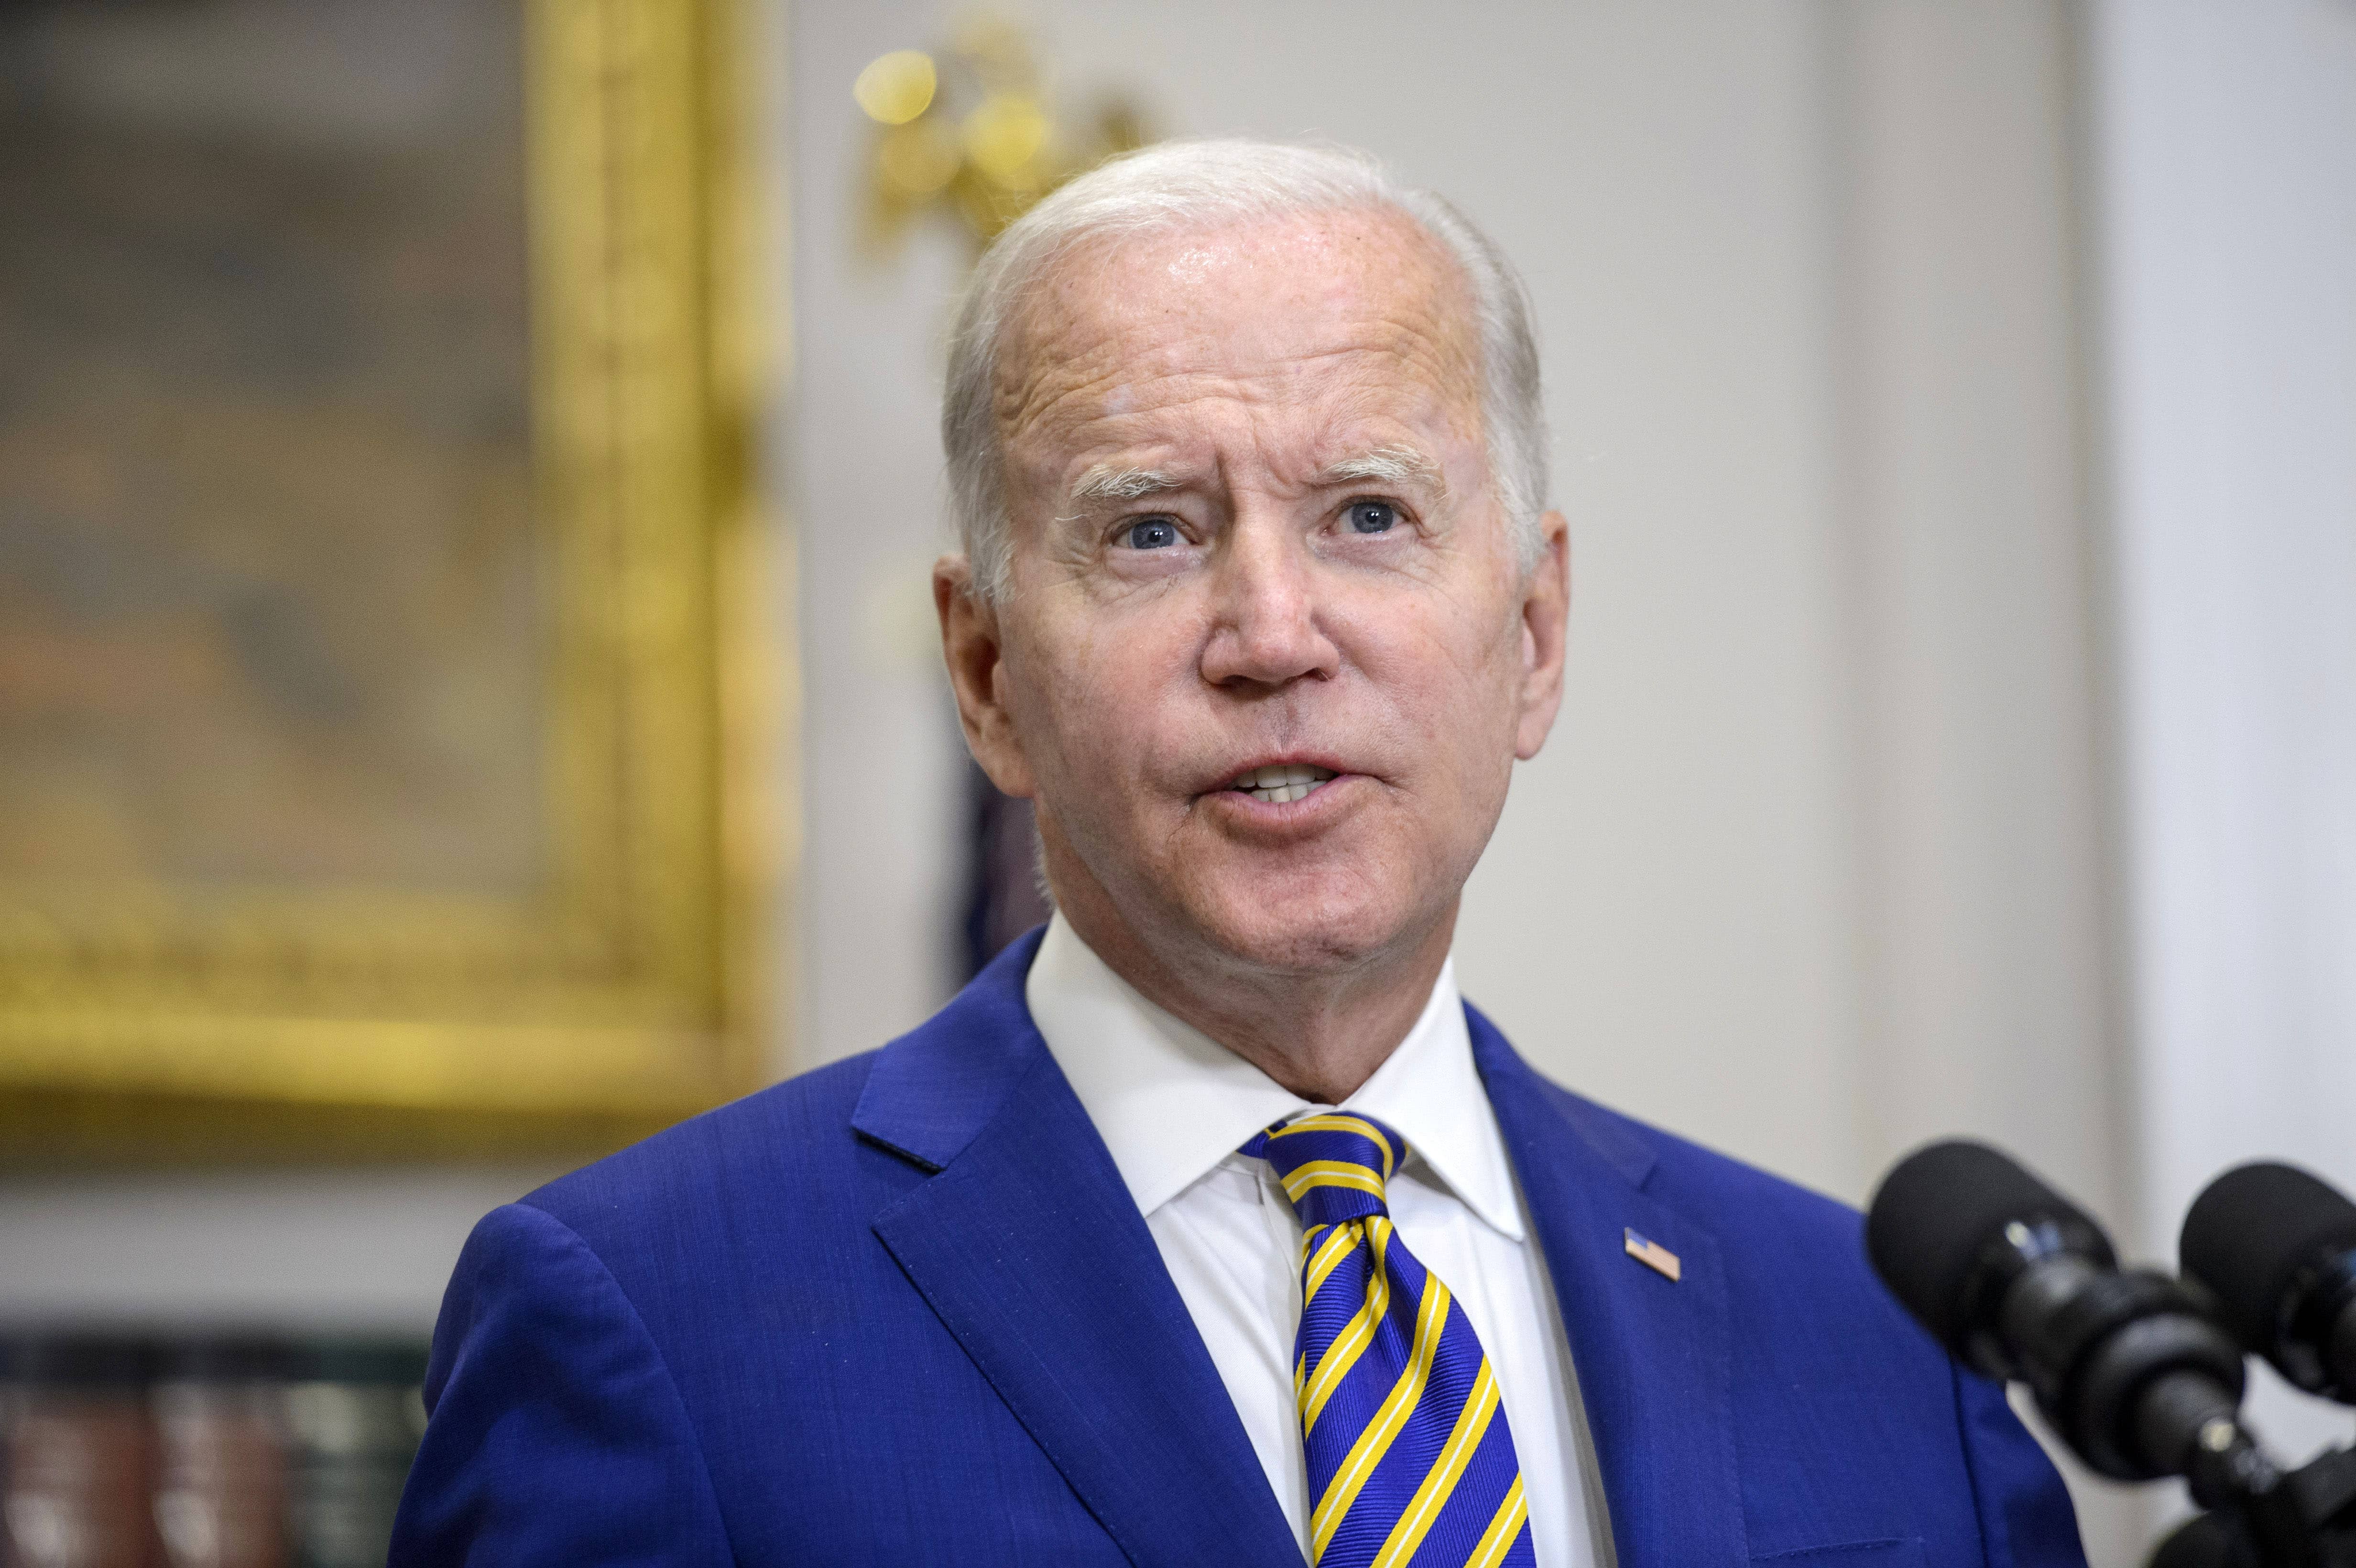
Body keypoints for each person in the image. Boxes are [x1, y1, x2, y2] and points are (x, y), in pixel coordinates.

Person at [391, 140, 2086, 1568]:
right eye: (1150, 531)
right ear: (986, 676)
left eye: (1367, 514)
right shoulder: (649, 1323)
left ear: (1538, 634)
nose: (1273, 635)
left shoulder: (1883, 1344)